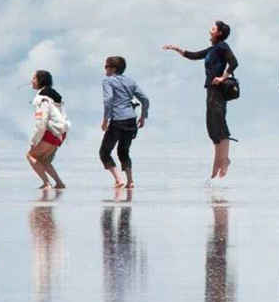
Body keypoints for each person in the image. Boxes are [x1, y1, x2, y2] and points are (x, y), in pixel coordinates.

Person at [164, 20, 238, 179]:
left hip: (218, 90)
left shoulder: (222, 47)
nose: (209, 29)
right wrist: (175, 48)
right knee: (212, 126)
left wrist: (222, 78)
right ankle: (217, 162)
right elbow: (193, 55)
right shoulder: (213, 49)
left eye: (213, 28)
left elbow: (234, 63)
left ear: (219, 33)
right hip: (211, 90)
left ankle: (224, 160)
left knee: (219, 124)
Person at [99, 55, 149, 191]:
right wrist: (143, 117)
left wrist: (105, 119)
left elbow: (108, 100)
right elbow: (145, 99)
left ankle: (119, 179)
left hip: (117, 120)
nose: (105, 69)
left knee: (104, 152)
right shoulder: (130, 81)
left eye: (106, 66)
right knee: (123, 151)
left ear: (113, 69)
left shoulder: (108, 81)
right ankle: (130, 181)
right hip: (131, 120)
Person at [26, 69, 69, 190]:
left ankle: (47, 183)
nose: (32, 81)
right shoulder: (55, 94)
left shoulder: (42, 98)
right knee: (44, 160)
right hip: (61, 132)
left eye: (34, 78)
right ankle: (59, 183)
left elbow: (41, 121)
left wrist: (34, 141)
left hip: (51, 132)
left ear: (40, 80)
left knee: (30, 156)